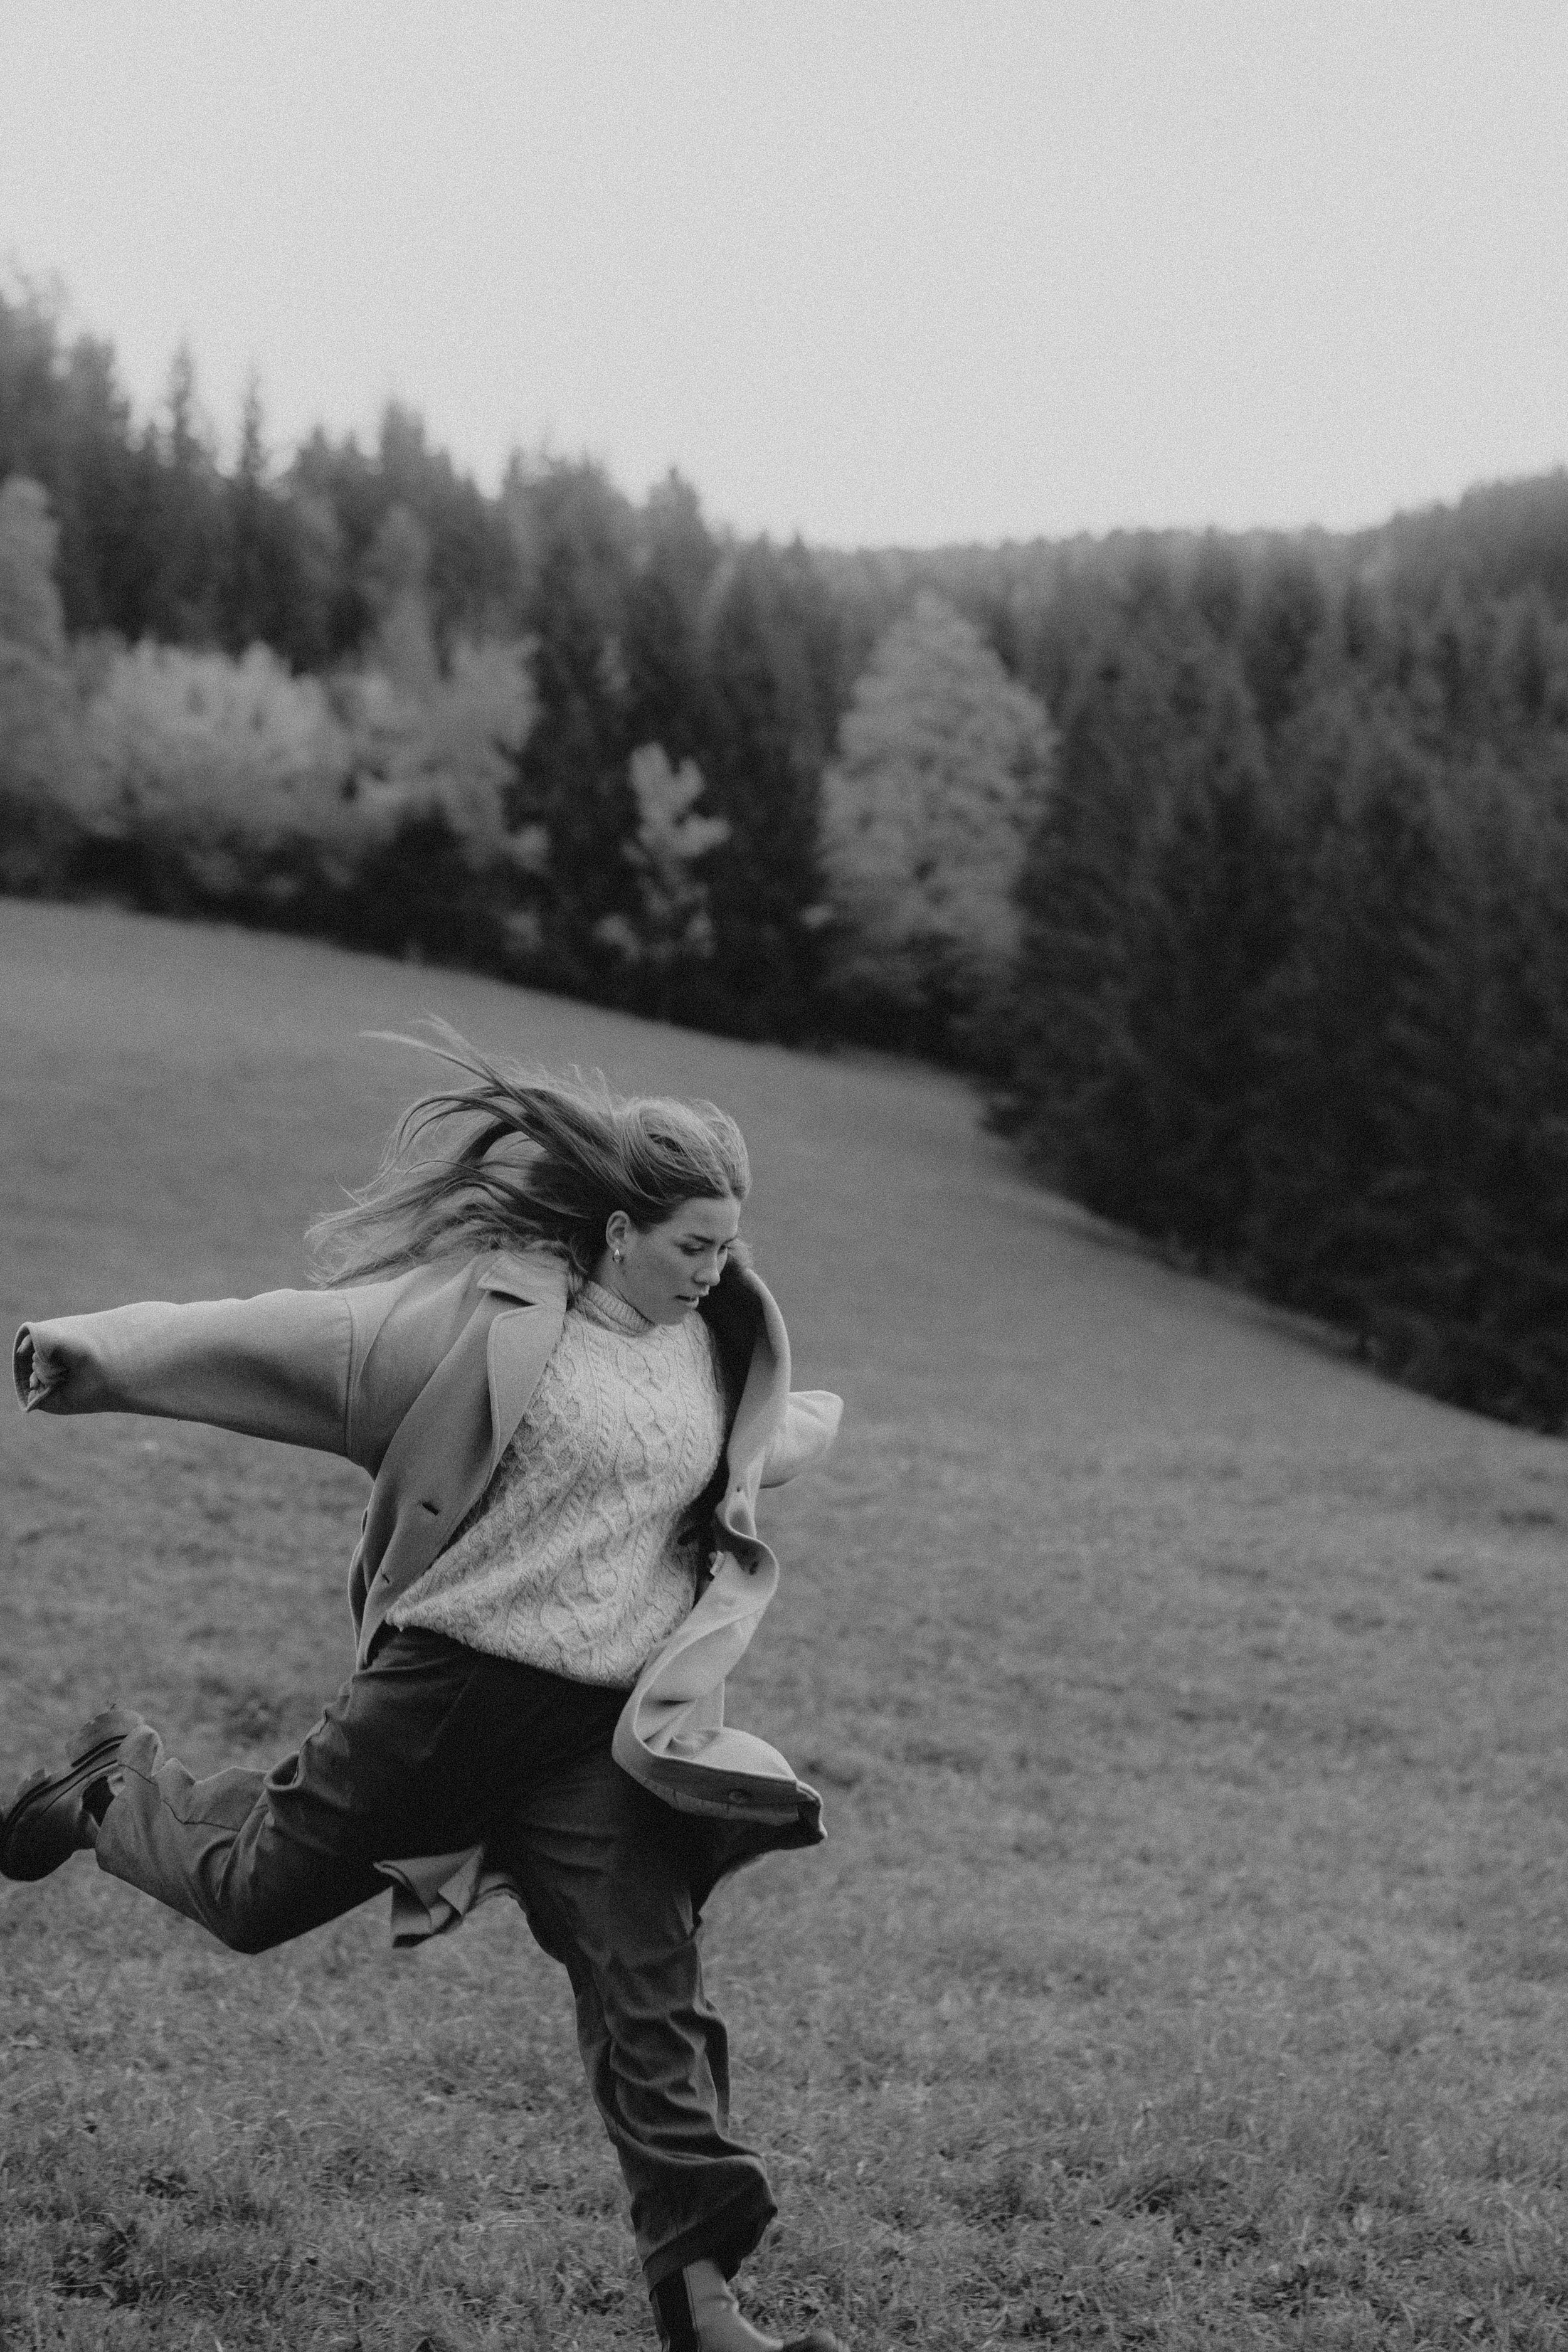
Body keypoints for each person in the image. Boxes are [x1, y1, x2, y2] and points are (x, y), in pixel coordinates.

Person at [3, 1030, 845, 2352]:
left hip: (593, 1738)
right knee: (251, 1898)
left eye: (729, 1246)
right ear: (620, 1231)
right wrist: (91, 1352)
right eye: (694, 1243)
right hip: (443, 1696)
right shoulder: (483, 1325)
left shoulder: (715, 1345)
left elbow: (758, 1435)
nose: (718, 1269)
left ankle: (704, 2303)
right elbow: (283, 1336)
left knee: (649, 1988)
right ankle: (114, 1787)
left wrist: (807, 1426)